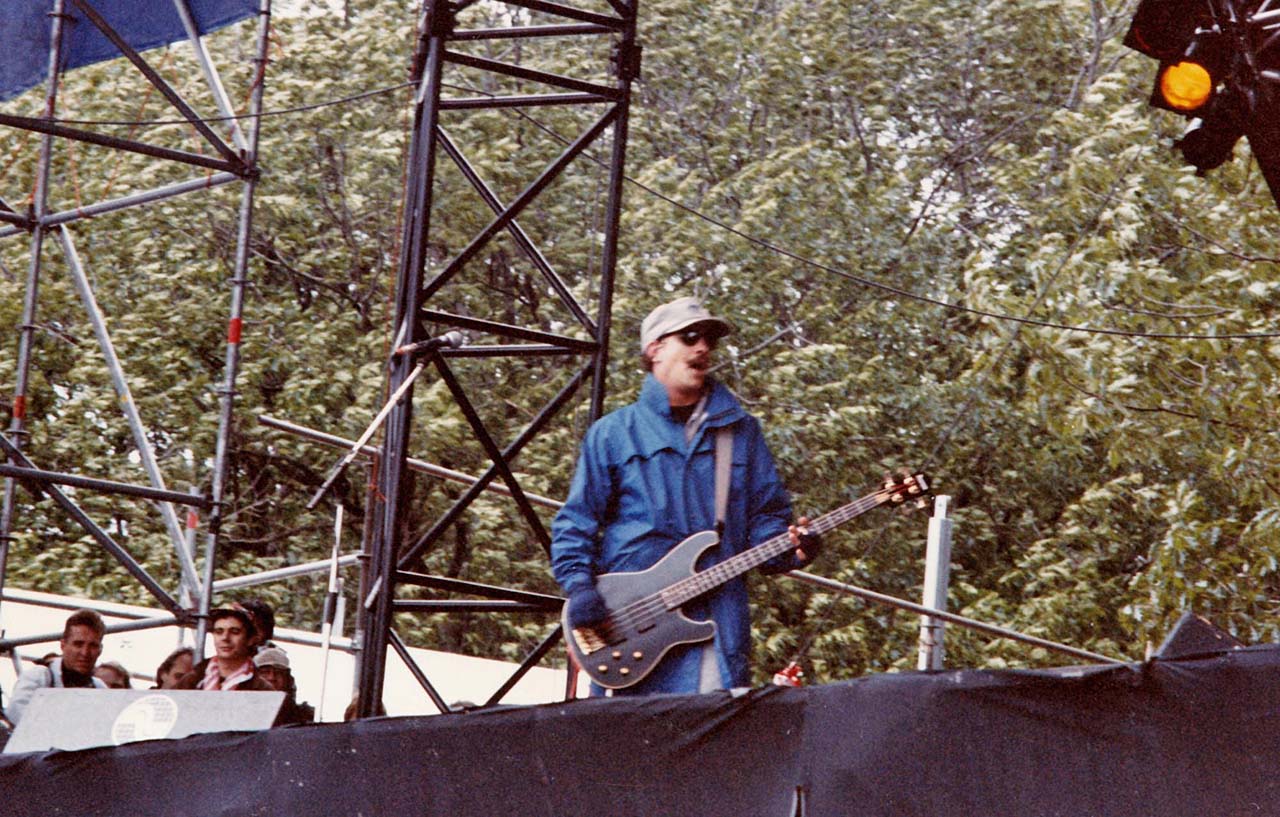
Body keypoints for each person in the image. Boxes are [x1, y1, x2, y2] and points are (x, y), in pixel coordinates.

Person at [551, 296, 820, 696]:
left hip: (713, 625)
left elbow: (767, 519)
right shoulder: (612, 434)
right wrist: (580, 589)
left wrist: (791, 548)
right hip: (629, 630)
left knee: (705, 747)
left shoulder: (741, 433)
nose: (703, 348)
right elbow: (576, 522)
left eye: (709, 339)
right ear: (655, 349)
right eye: (690, 336)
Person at [6, 609, 108, 724]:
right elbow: (16, 719)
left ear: (100, 650)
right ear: (63, 645)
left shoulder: (100, 689)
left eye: (93, 646)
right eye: (78, 644)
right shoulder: (38, 677)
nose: (85, 653)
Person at [173, 606, 273, 692]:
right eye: (219, 631)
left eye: (234, 632)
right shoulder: (193, 679)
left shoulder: (262, 688)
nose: (225, 638)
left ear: (251, 640)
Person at [253, 647, 314, 726]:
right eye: (265, 672)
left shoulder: (302, 716)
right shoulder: (242, 709)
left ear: (287, 680)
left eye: (278, 672)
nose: (272, 677)